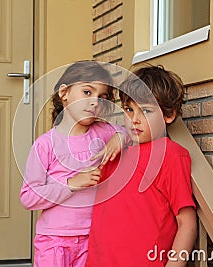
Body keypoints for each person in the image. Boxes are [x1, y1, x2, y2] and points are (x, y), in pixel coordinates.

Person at [85, 65, 198, 267]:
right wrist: (120, 135)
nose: (134, 120)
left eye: (145, 110)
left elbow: (187, 223)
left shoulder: (170, 155)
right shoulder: (116, 153)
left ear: (168, 114)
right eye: (129, 109)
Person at [20, 61, 128, 267]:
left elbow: (126, 131)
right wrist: (71, 184)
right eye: (87, 92)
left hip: (93, 236)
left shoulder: (103, 132)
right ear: (64, 93)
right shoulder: (45, 144)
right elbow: (28, 197)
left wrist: (119, 138)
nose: (95, 102)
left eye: (102, 97)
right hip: (54, 241)